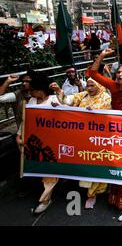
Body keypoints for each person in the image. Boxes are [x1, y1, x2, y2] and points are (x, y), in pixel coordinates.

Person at [86, 48, 122, 213]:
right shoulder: (112, 86)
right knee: (117, 162)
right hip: (116, 133)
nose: (119, 75)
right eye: (118, 73)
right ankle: (116, 197)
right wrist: (102, 56)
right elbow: (92, 73)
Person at [50, 78, 111, 209]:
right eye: (88, 85)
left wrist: (93, 111)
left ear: (99, 86)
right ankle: (87, 191)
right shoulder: (82, 95)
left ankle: (92, 195)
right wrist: (58, 92)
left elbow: (102, 112)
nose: (89, 88)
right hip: (82, 138)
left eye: (92, 86)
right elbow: (67, 101)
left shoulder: (105, 97)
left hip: (98, 139)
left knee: (96, 165)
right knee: (85, 164)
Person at [17, 72, 58, 214]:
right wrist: (19, 135)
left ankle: (45, 200)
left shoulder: (54, 100)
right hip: (35, 144)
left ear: (39, 90)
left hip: (52, 145)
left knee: (49, 175)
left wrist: (58, 106)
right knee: (40, 171)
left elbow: (67, 116)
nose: (30, 92)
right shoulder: (32, 102)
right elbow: (26, 121)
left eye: (32, 90)